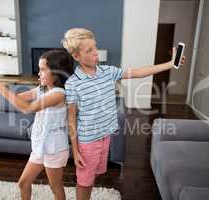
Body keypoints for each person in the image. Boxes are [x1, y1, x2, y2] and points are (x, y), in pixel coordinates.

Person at [62, 28, 186, 200]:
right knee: (84, 181)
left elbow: (137, 72)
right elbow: (71, 118)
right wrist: (75, 151)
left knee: (91, 178)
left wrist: (169, 64)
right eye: (89, 50)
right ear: (77, 56)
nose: (95, 52)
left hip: (105, 137)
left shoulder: (108, 72)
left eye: (95, 47)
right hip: (88, 141)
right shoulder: (72, 84)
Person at [0, 49, 74, 200]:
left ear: (57, 72)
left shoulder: (58, 94)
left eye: (43, 69)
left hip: (54, 148)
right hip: (40, 146)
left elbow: (27, 108)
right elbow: (17, 99)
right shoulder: (42, 89)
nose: (39, 73)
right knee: (23, 183)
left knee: (55, 188)